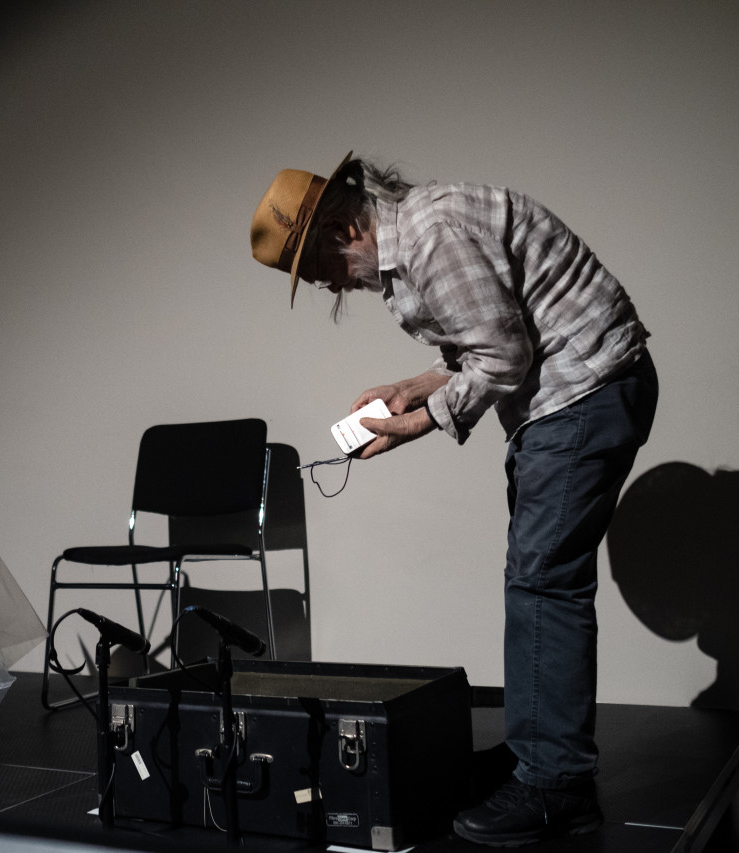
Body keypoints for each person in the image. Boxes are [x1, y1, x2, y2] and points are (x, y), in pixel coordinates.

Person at [250, 152, 659, 847]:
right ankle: (537, 753)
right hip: (572, 396)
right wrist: (416, 385)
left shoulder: (434, 235)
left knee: (544, 582)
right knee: (535, 578)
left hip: (582, 394)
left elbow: (504, 356)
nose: (325, 286)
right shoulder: (423, 232)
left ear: (344, 229)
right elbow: (488, 328)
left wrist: (418, 424)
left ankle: (556, 783)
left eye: (318, 270)